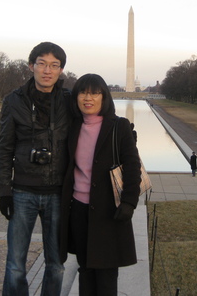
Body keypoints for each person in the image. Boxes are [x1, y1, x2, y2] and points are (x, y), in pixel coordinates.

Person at [0, 42, 71, 296]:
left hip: (58, 192)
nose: (47, 70)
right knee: (15, 265)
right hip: (23, 191)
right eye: (42, 64)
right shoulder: (13, 101)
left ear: (61, 69)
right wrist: (4, 190)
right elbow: (5, 148)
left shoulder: (68, 101)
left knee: (56, 265)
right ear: (31, 66)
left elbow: (95, 119)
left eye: (54, 65)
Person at [60, 73, 141, 296]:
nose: (88, 98)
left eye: (95, 93)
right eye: (83, 93)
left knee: (106, 274)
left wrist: (129, 202)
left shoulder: (119, 126)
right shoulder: (73, 126)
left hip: (108, 211)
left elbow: (132, 166)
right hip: (79, 210)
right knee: (85, 269)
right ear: (76, 97)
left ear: (104, 97)